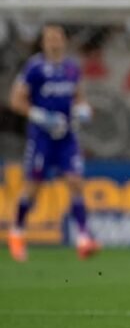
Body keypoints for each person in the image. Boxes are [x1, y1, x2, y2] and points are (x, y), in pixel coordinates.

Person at [7, 23, 99, 262]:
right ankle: (16, 231)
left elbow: (79, 97)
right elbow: (16, 100)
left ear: (64, 41)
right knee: (33, 188)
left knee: (75, 181)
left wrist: (83, 110)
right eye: (49, 38)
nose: (54, 42)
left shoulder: (71, 68)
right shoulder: (34, 68)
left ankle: (83, 237)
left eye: (57, 37)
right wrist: (40, 116)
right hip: (41, 137)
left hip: (66, 136)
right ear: (43, 42)